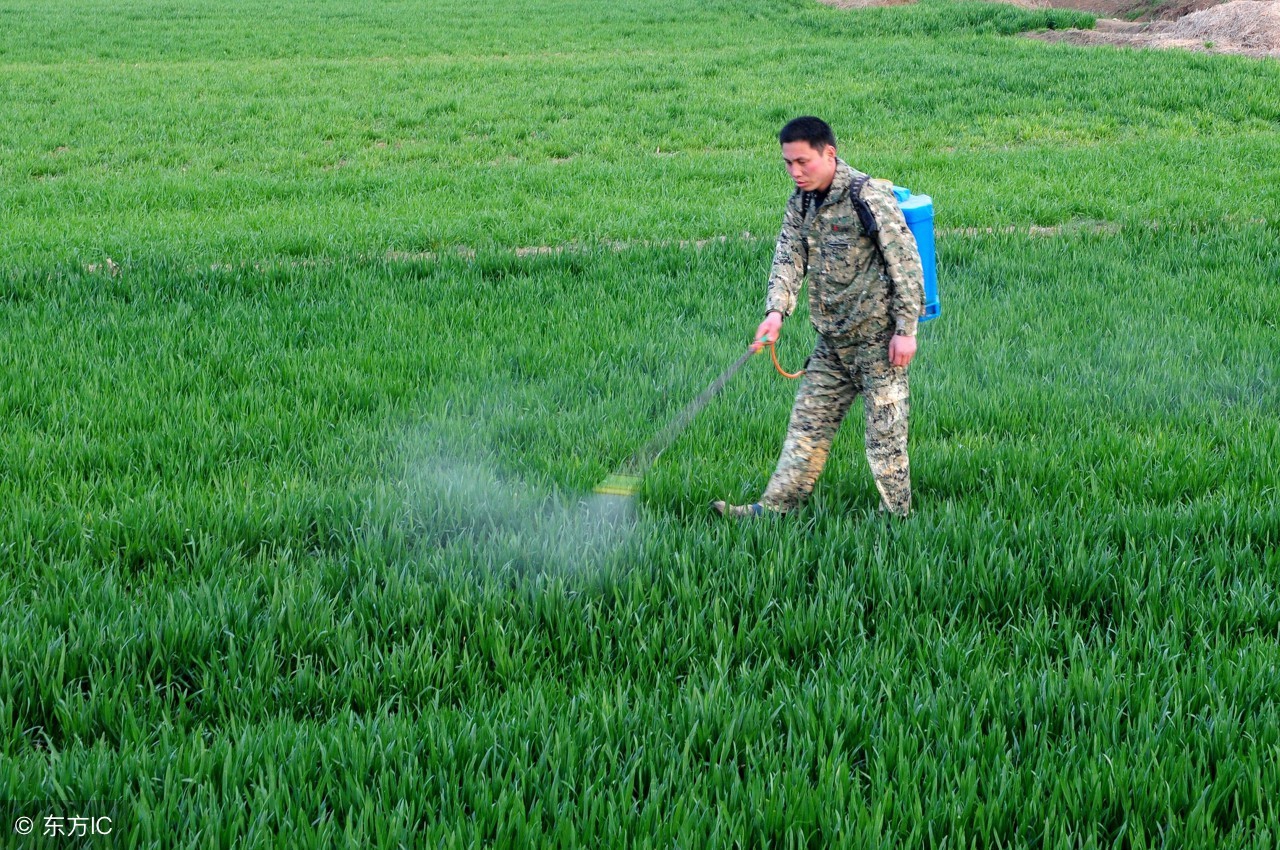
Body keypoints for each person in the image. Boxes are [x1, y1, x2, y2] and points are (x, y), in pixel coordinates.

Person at [713, 116, 924, 519]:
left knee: (886, 440)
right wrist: (776, 312)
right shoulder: (802, 201)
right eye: (788, 163)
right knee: (805, 430)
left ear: (829, 153)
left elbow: (907, 265)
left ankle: (899, 519)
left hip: (879, 343)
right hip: (831, 344)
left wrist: (906, 331)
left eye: (803, 162)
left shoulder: (868, 195)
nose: (795, 171)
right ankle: (774, 510)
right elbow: (789, 255)